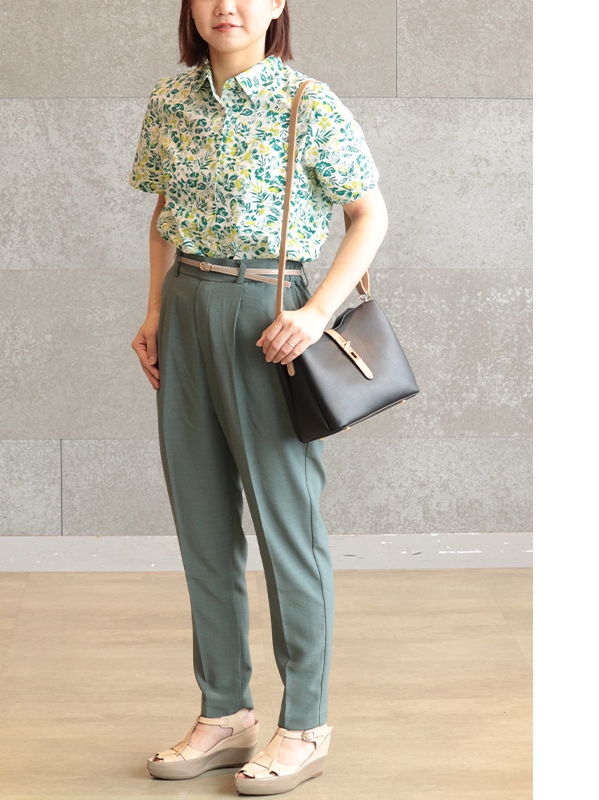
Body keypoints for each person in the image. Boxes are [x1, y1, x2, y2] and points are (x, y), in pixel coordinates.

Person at [129, 0, 388, 795]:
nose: (227, 6)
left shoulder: (308, 102)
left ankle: (305, 722)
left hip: (269, 318)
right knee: (202, 525)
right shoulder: (172, 99)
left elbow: (369, 215)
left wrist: (316, 315)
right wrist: (154, 310)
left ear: (277, 4)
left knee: (287, 529)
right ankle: (225, 710)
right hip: (188, 306)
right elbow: (164, 214)